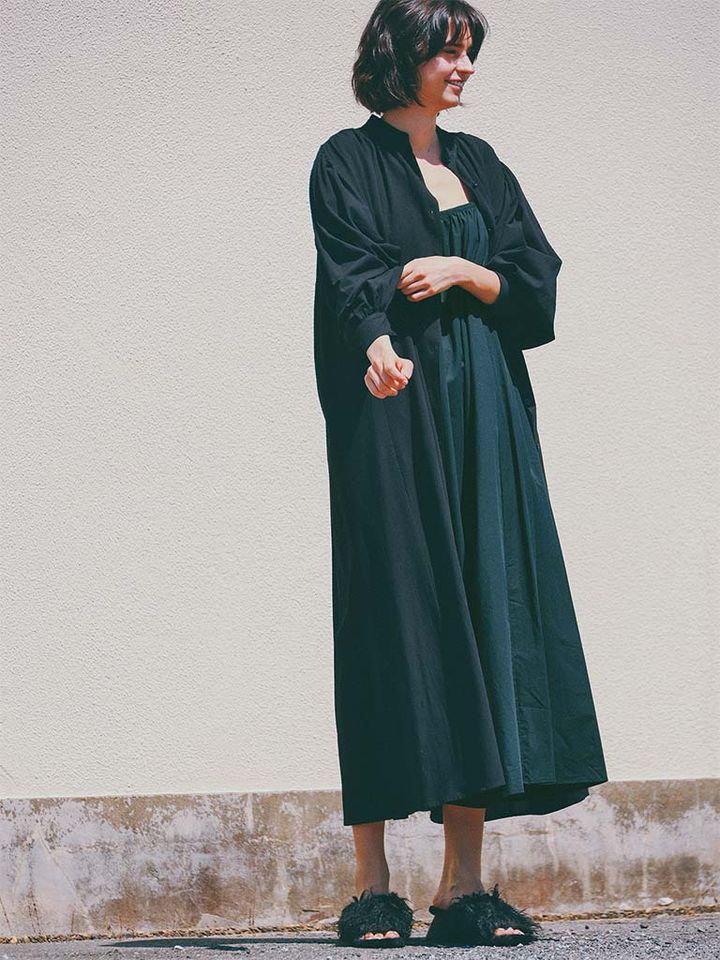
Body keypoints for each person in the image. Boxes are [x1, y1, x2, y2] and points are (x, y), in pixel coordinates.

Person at [307, 0, 608, 948]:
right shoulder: (346, 160)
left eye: (469, 51)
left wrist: (464, 272)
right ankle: (372, 887)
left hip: (487, 416)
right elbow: (350, 273)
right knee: (389, 618)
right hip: (394, 416)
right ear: (401, 56)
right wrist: (375, 345)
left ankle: (462, 887)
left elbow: (533, 276)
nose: (464, 67)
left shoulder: (480, 164)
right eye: (448, 51)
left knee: (483, 613)